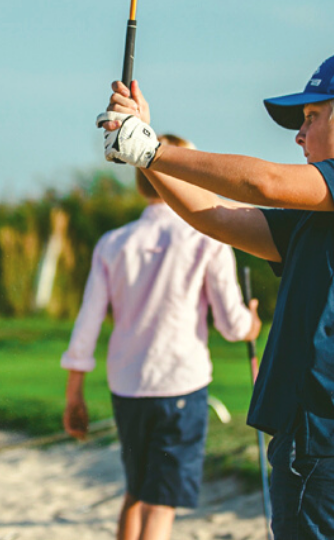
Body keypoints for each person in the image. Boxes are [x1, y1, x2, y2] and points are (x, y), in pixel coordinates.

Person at [98, 50, 334, 540]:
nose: (298, 134)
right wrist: (143, 149)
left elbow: (263, 182)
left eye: (311, 118)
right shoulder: (327, 215)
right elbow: (216, 217)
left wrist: (153, 151)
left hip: (333, 434)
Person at [61, 133, 262, 540]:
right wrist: (252, 324)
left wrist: (74, 393)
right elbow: (231, 324)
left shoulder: (112, 243)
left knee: (137, 489)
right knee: (161, 500)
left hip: (127, 384)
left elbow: (87, 323)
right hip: (179, 384)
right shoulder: (208, 236)